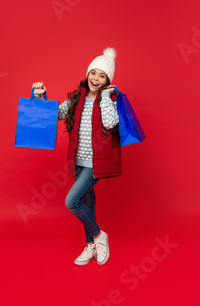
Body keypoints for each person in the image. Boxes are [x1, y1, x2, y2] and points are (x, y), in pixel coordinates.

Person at [31, 47, 122, 265]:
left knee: (72, 201)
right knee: (87, 202)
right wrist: (38, 97)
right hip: (78, 161)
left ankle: (99, 237)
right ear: (88, 74)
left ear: (107, 80)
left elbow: (111, 123)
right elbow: (56, 115)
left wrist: (108, 97)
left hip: (95, 163)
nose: (96, 78)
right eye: (94, 73)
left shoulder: (109, 100)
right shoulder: (76, 98)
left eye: (102, 75)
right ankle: (91, 246)